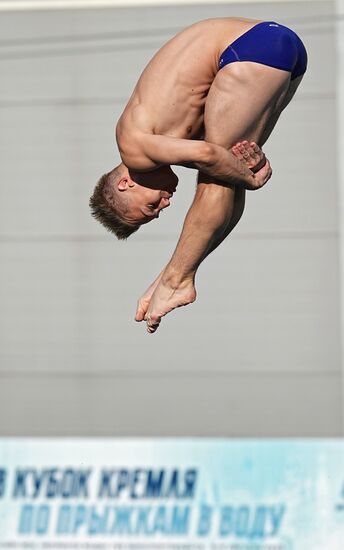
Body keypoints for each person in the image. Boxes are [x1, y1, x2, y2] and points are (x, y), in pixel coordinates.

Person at [89, 17, 307, 333]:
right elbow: (222, 161)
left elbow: (208, 156)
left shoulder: (133, 147)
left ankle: (177, 280)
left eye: (150, 208)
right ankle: (173, 276)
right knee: (225, 176)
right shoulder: (159, 147)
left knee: (218, 178)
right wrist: (242, 169)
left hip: (247, 49)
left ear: (125, 183)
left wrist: (249, 177)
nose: (163, 206)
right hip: (278, 47)